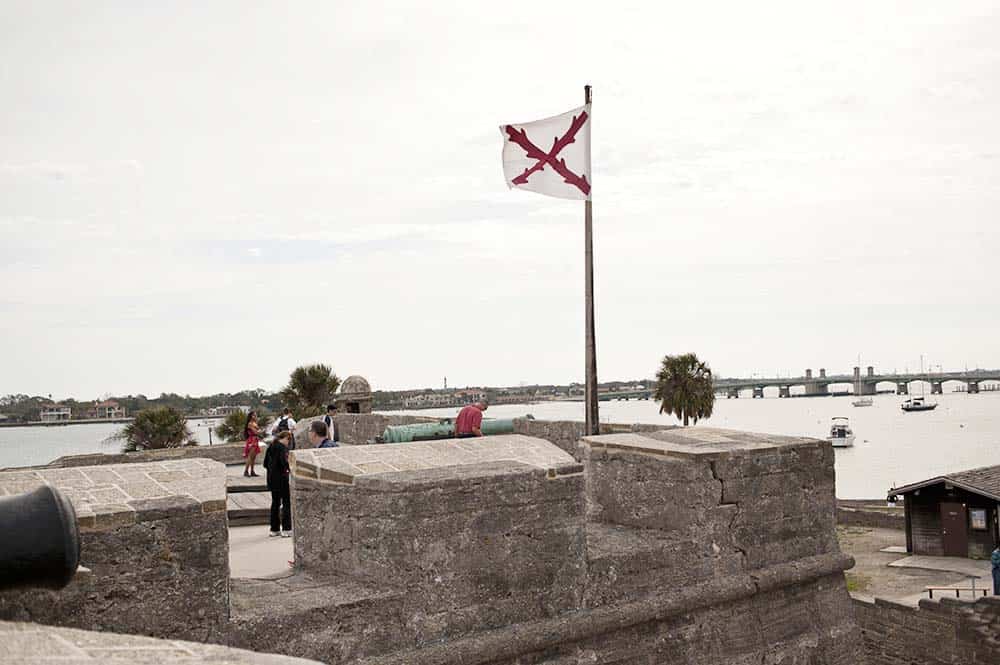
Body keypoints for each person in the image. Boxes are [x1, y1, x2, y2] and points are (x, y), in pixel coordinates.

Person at [263, 429, 292, 537]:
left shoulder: (270, 446)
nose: (288, 443)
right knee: (286, 503)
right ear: (285, 438)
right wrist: (289, 469)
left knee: (275, 503)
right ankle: (286, 528)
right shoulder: (283, 448)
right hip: (282, 479)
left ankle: (274, 529)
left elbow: (265, 464)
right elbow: (284, 463)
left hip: (271, 479)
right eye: (288, 440)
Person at [242, 411, 262, 477]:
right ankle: (246, 471)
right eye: (254, 415)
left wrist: (259, 431)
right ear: (251, 416)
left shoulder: (254, 423)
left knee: (253, 457)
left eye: (256, 415)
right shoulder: (250, 424)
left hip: (255, 440)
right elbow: (256, 432)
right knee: (250, 456)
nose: (255, 416)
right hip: (252, 440)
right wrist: (259, 431)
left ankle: (252, 471)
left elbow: (258, 431)